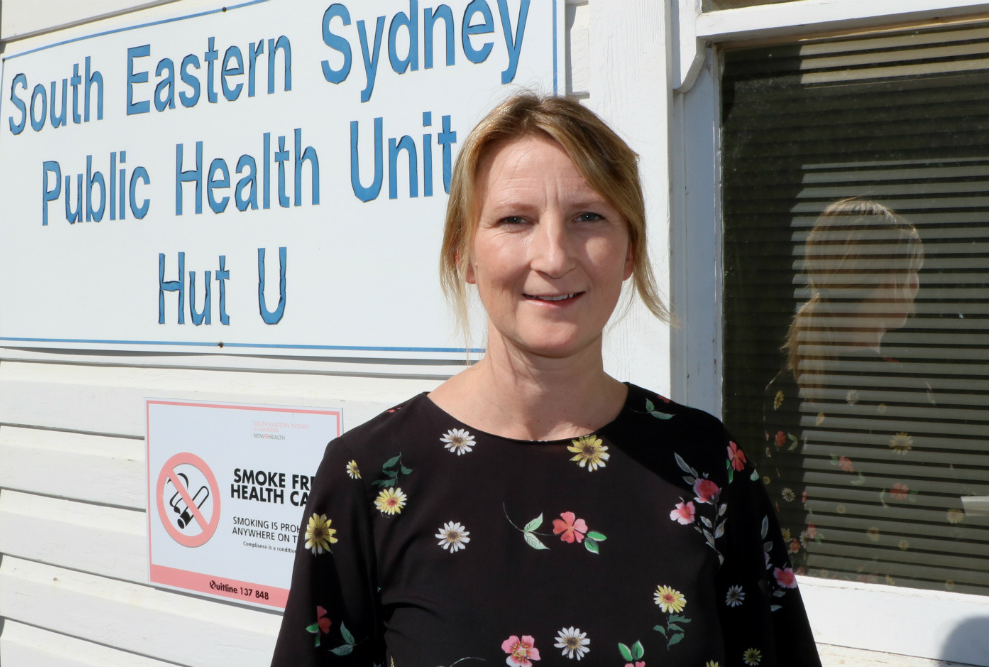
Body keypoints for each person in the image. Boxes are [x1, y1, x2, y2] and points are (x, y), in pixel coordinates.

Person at [272, 93, 820, 666]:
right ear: (464, 254)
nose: (554, 256)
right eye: (515, 220)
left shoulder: (707, 466)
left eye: (589, 217)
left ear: (629, 249)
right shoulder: (369, 477)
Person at [761, 197, 933, 581]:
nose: (918, 283)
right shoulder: (901, 389)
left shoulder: (784, 386)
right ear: (891, 280)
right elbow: (935, 515)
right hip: (889, 604)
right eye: (913, 270)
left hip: (806, 594)